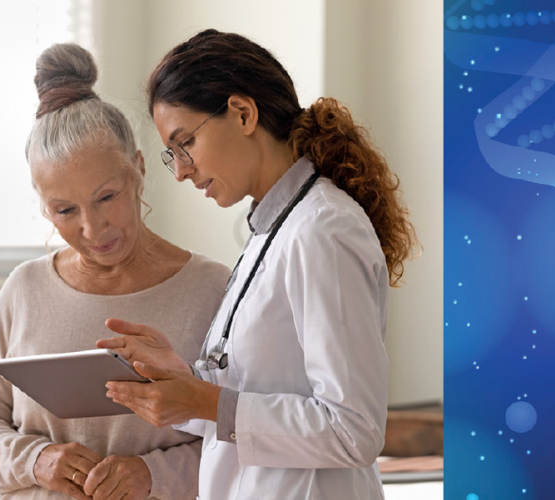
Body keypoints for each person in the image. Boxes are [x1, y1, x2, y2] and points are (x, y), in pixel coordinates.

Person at [99, 29, 419, 499]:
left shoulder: (322, 231)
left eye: (184, 142)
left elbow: (354, 430)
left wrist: (209, 401)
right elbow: (256, 393)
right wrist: (184, 383)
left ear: (243, 113)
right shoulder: (271, 231)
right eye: (173, 154)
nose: (182, 169)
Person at [0, 43, 230, 500]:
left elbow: (239, 435)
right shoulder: (25, 288)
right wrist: (35, 461)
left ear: (139, 169)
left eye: (106, 197)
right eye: (65, 210)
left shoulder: (213, 289)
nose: (92, 228)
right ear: (44, 209)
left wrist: (151, 475)